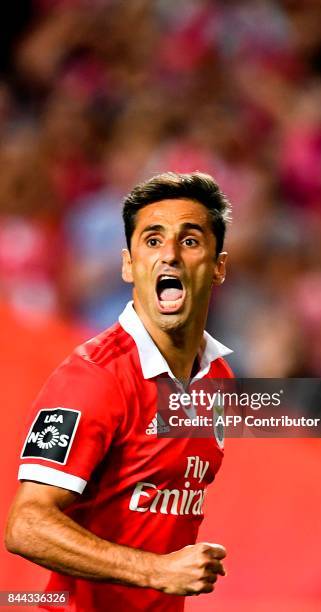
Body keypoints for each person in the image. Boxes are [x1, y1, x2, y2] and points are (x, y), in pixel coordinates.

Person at [5, 172, 234, 612]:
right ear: (129, 264)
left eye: (189, 241)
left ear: (218, 265)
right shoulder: (93, 377)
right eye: (152, 241)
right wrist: (156, 570)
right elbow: (26, 524)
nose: (169, 255)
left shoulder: (218, 377)